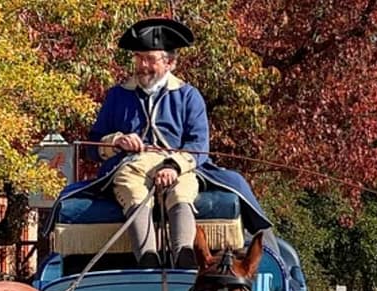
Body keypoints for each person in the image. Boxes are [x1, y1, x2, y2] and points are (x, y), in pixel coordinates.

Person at [79, 18, 274, 268]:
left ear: (169, 63)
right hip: (130, 165)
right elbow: (92, 146)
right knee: (131, 188)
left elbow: (199, 145)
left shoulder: (188, 96)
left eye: (149, 59)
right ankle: (147, 259)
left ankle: (184, 257)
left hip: (179, 166)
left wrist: (172, 166)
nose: (142, 66)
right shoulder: (117, 95)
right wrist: (116, 140)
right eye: (138, 58)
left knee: (182, 191)